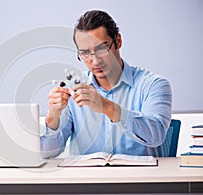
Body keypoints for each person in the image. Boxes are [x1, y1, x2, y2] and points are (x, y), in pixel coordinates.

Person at [40, 10, 172, 158]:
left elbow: (156, 135)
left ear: (118, 41)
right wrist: (53, 117)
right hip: (87, 179)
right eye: (84, 53)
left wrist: (107, 107)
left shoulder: (153, 85)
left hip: (138, 178)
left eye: (102, 49)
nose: (95, 61)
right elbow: (47, 153)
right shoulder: (73, 88)